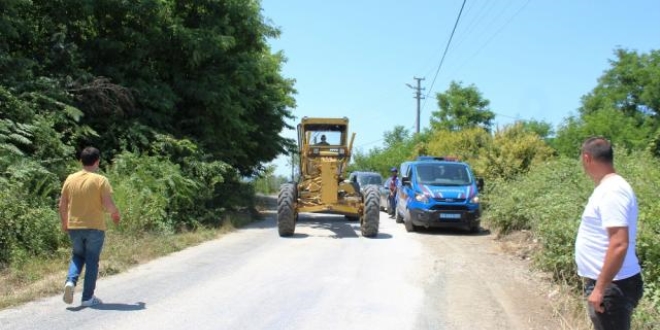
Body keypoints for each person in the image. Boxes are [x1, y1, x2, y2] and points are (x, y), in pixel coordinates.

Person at [575, 137, 643, 330]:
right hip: (611, 285)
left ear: (587, 158)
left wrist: (600, 288)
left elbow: (619, 243)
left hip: (613, 286)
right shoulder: (608, 188)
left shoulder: (612, 191)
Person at [59, 146, 121, 307]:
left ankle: (70, 282)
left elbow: (62, 204)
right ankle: (87, 298)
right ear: (97, 161)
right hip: (95, 227)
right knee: (92, 260)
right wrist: (115, 214)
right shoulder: (100, 180)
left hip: (74, 226)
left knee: (78, 256)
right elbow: (108, 205)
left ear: (81, 161)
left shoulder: (70, 179)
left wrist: (64, 222)